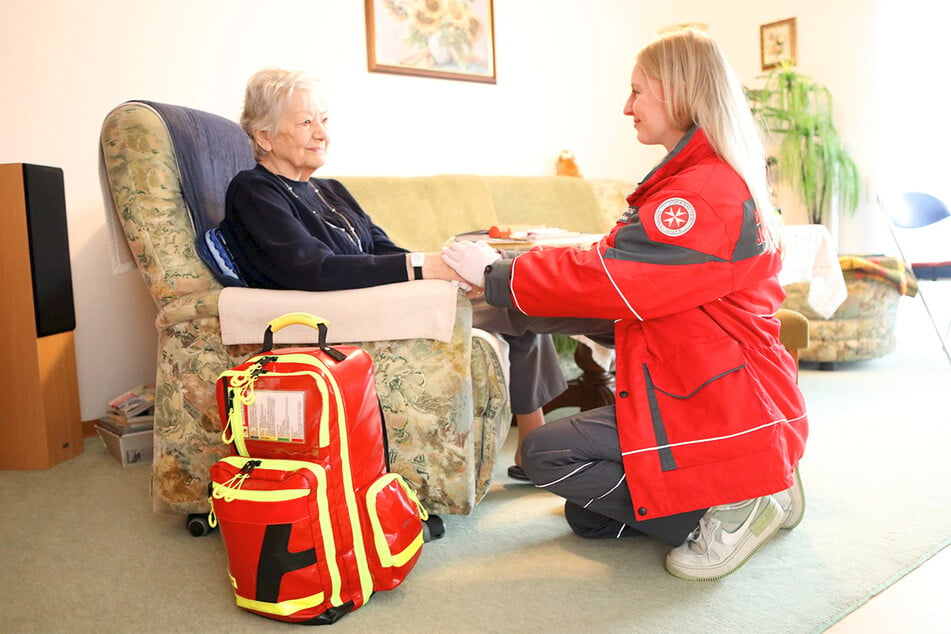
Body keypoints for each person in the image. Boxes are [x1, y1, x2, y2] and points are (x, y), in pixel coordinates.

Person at [442, 29, 808, 581]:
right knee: (587, 517)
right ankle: (757, 472)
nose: (626, 107)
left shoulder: (699, 194)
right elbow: (618, 274)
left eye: (637, 92)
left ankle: (737, 502)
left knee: (544, 455)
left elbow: (611, 277)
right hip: (708, 372)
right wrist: (507, 289)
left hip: (713, 390)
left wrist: (500, 275)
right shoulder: (698, 179)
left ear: (679, 92)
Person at [218, 68, 613, 480]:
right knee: (513, 298)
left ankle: (532, 446)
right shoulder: (255, 191)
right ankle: (610, 339)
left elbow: (384, 248)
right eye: (305, 122)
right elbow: (311, 268)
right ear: (264, 137)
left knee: (515, 296)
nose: (321, 133)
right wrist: (423, 268)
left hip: (384, 297)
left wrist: (444, 269)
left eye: (324, 120)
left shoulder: (329, 189)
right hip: (347, 312)